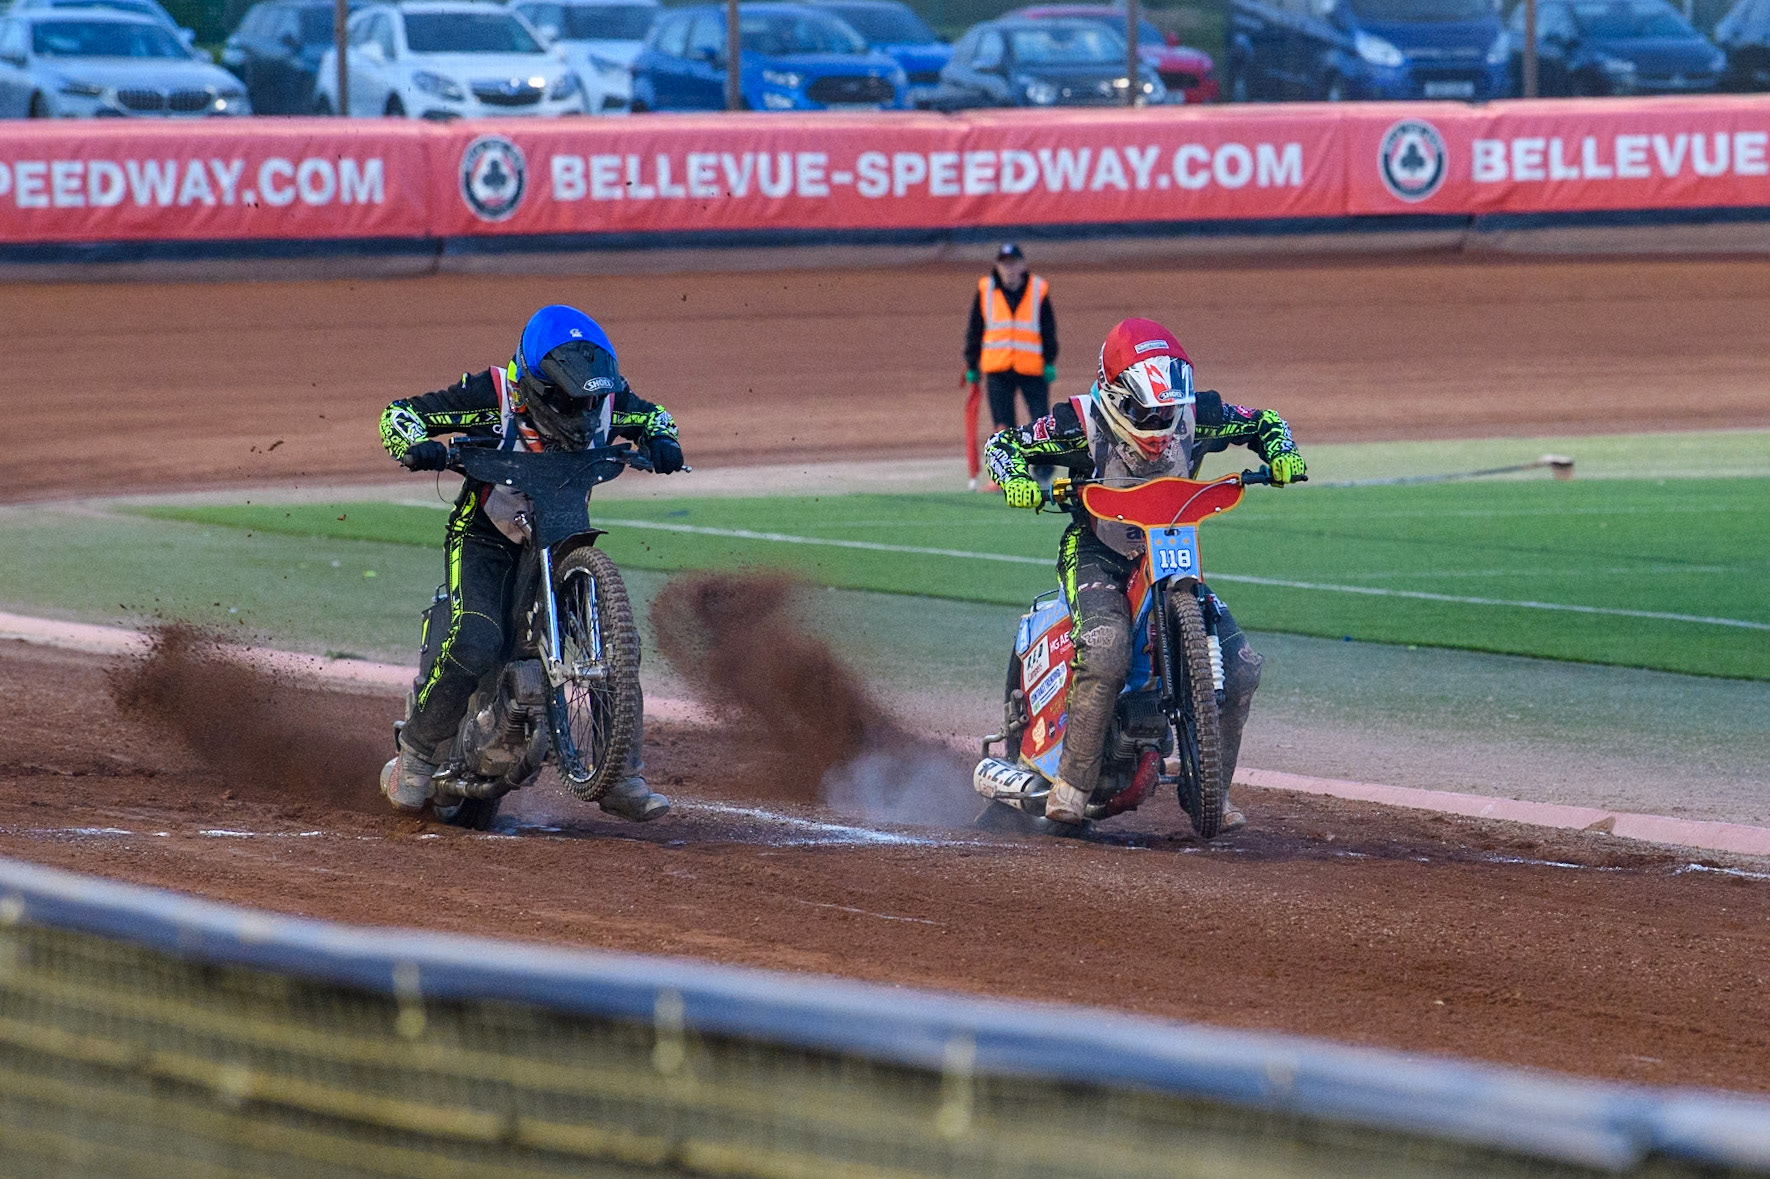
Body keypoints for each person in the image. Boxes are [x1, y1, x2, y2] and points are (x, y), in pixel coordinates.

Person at [983, 317, 1306, 830]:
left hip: (1171, 550)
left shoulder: (1198, 414)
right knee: (1107, 646)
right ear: (1115, 394)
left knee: (1241, 665)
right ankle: (1070, 785)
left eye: (1166, 413)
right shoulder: (1079, 422)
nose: (1158, 429)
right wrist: (1016, 481)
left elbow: (1265, 422)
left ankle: (1212, 797)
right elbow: (1003, 448)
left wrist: (1283, 452)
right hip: (1097, 552)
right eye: (1144, 413)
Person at [377, 304, 684, 821]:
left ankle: (620, 776)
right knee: (477, 637)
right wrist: (416, 447)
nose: (586, 413)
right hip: (486, 537)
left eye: (592, 401)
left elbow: (655, 417)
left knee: (614, 647)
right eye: (569, 401)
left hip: (562, 537)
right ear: (537, 388)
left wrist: (664, 440)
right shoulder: (492, 394)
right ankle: (418, 754)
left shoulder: (608, 400)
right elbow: (398, 415)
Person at [964, 243, 1059, 440]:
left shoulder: (1037, 289)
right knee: (1004, 428)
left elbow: (1048, 329)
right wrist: (972, 364)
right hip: (998, 369)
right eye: (1005, 264)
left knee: (1040, 422)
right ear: (997, 266)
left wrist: (1049, 361)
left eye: (1013, 263)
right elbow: (975, 329)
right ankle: (1011, 466)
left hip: (1032, 368)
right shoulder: (986, 290)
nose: (1009, 269)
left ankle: (1043, 466)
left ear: (1023, 265)